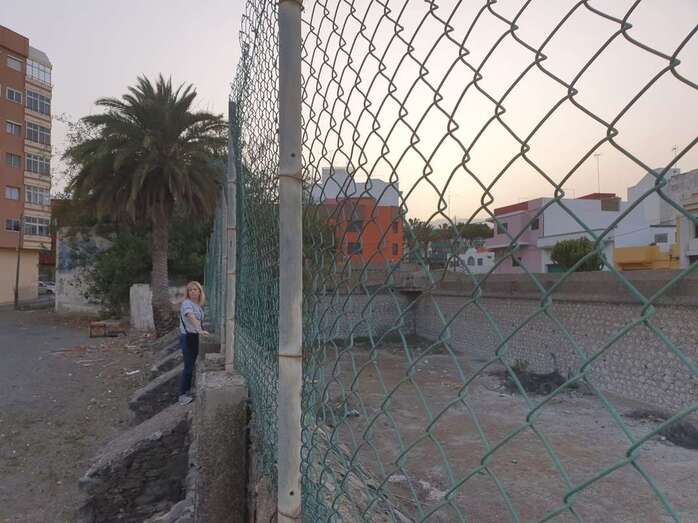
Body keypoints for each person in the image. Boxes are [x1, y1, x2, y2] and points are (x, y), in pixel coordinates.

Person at [178, 281, 208, 405]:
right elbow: (190, 316)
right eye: (190, 290)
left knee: (191, 365)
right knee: (188, 366)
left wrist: (199, 331)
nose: (193, 292)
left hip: (194, 337)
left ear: (200, 292)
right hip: (187, 337)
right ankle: (182, 395)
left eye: (195, 289)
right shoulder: (187, 303)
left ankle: (188, 390)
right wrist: (199, 329)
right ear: (188, 293)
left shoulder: (198, 305)